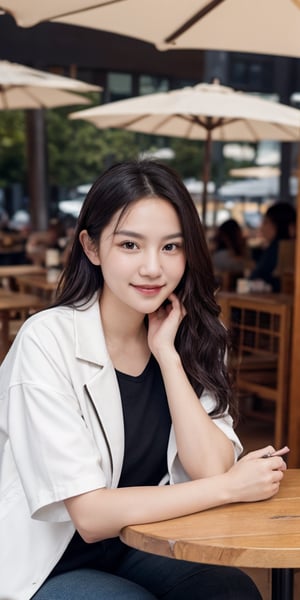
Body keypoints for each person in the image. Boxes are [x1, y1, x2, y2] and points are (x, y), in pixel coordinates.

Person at [0, 160, 288, 600]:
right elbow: (91, 516)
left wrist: (168, 358)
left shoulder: (193, 335)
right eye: (131, 245)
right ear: (92, 248)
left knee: (231, 590)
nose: (154, 268)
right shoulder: (47, 340)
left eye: (171, 247)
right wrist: (229, 488)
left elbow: (209, 466)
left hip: (138, 542)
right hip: (49, 563)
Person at [249, 201, 296, 292]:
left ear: (278, 225)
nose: (261, 227)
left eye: (266, 222)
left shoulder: (277, 249)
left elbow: (255, 277)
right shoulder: (290, 247)